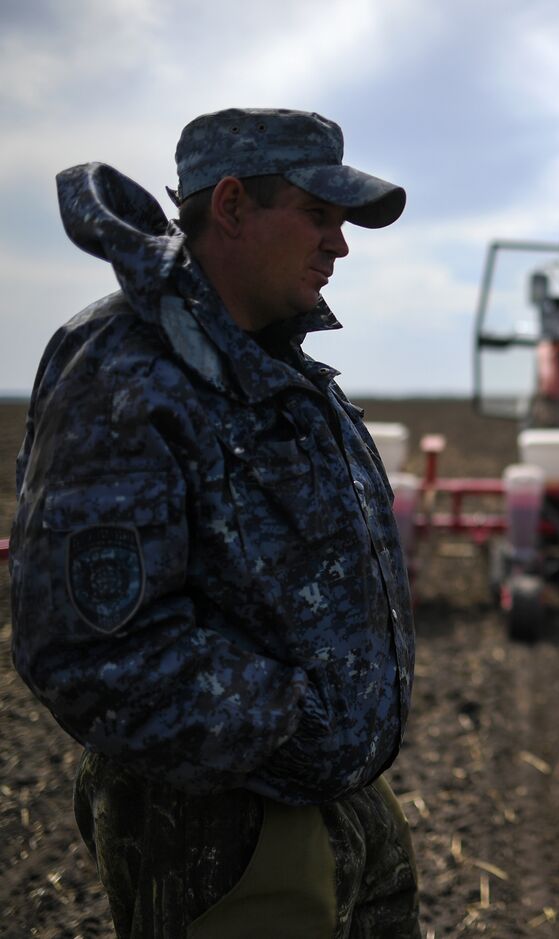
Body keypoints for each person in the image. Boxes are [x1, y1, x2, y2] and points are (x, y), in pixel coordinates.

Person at [10, 108, 419, 936]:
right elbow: (90, 649)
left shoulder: (271, 360)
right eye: (318, 214)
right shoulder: (127, 367)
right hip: (225, 826)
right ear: (231, 206)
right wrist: (290, 723)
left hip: (333, 802)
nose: (340, 244)